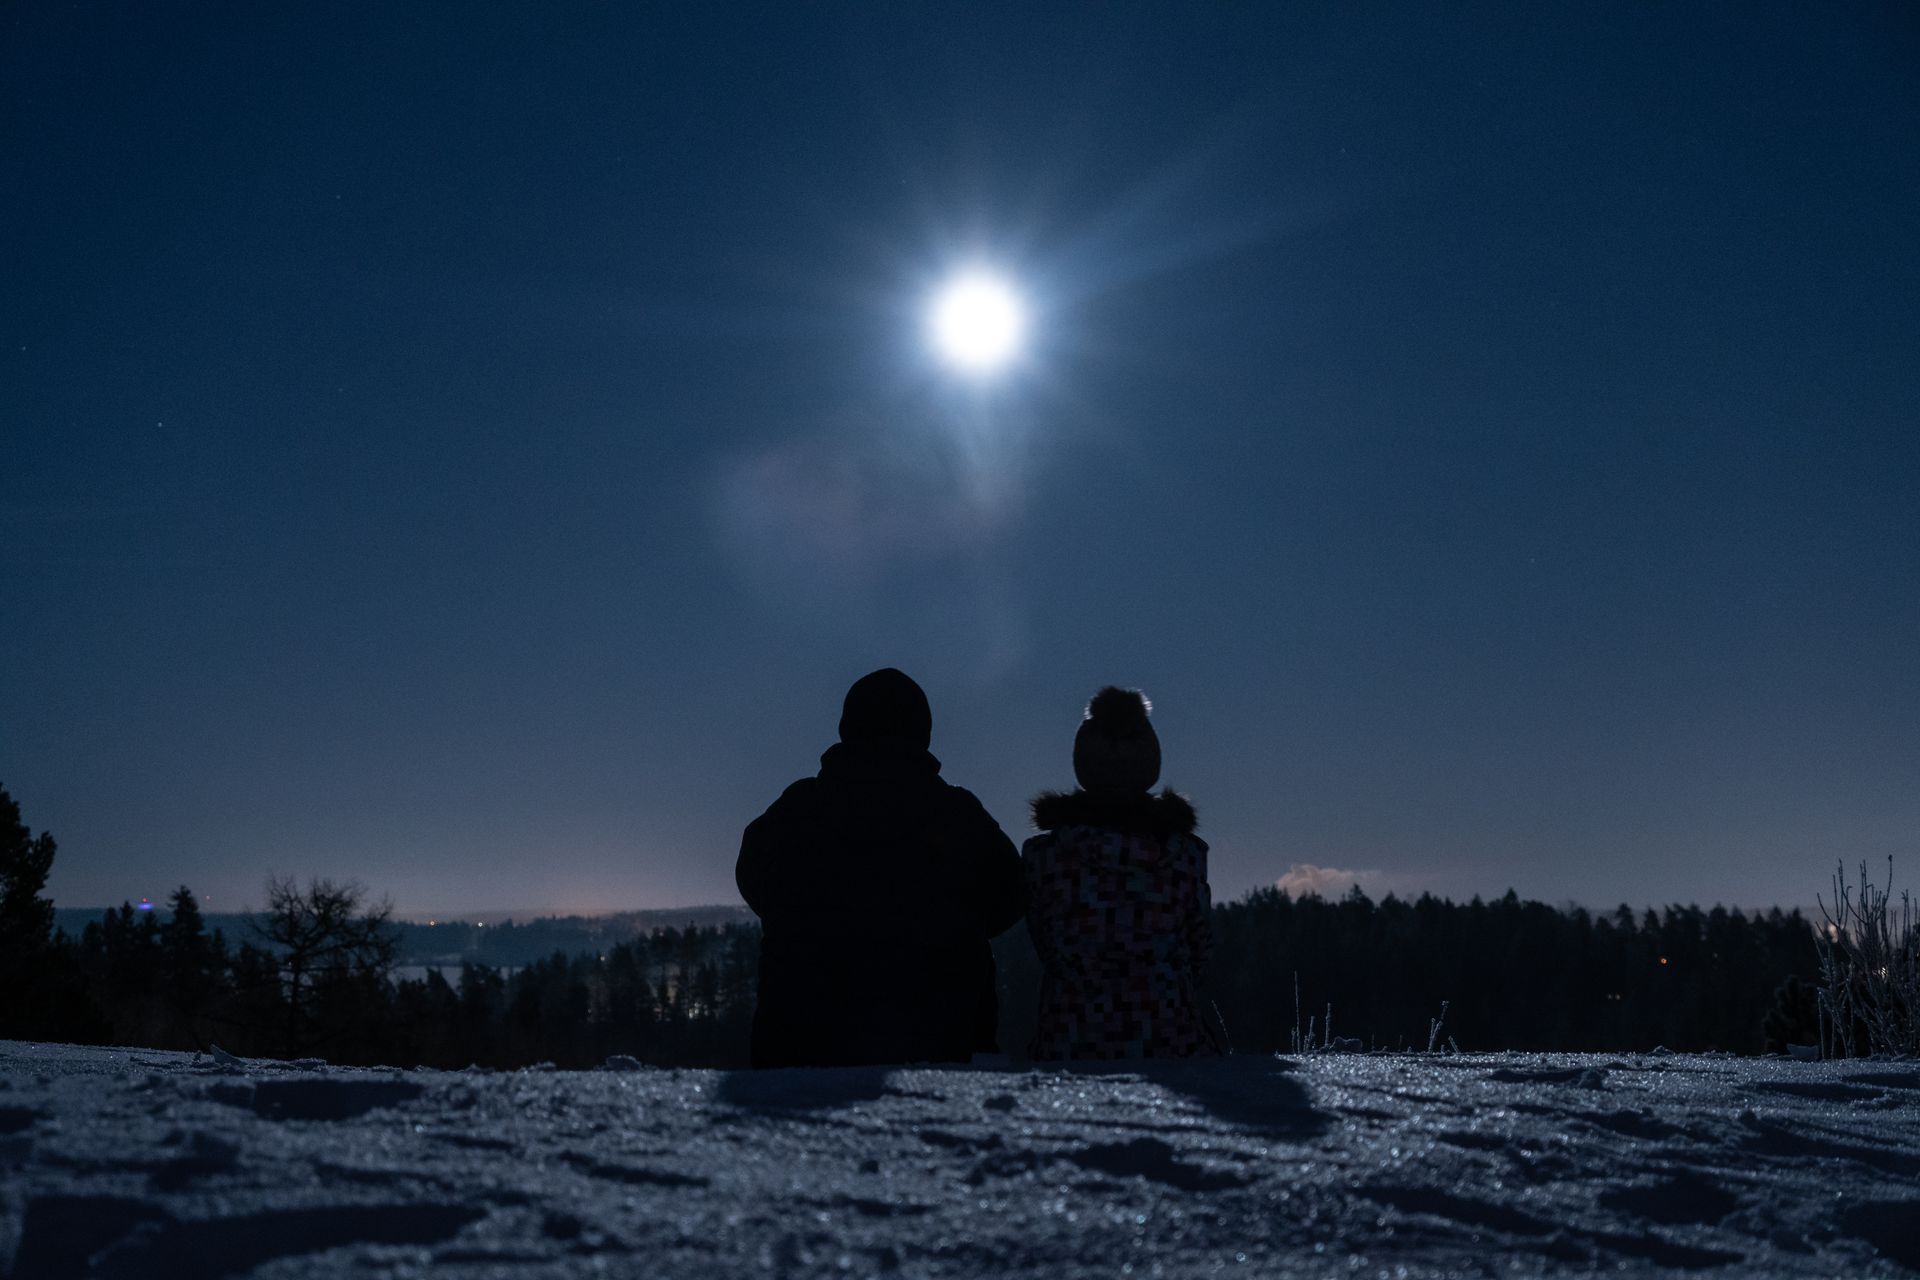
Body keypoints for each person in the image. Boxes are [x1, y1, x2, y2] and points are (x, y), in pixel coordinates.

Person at [737, 668, 1026, 1068]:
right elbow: (1010, 896)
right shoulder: (957, 814)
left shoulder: (798, 808)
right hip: (940, 1047)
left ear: (847, 728)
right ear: (922, 733)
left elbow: (752, 878)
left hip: (798, 1049)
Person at [1023, 686, 1218, 1060]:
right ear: (1150, 762)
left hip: (1069, 1040)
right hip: (1172, 1038)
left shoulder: (1044, 856)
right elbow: (1199, 947)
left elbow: (1045, 943)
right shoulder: (1186, 855)